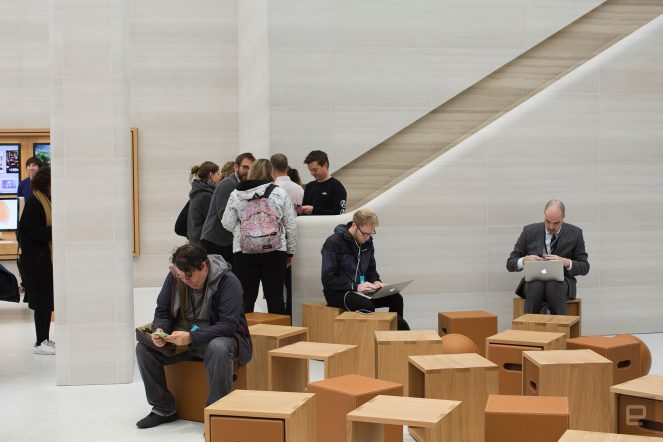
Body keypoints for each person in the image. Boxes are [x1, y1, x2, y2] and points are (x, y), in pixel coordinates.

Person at [135, 244, 252, 429]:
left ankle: (215, 416)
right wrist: (160, 330)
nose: (185, 281)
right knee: (144, 349)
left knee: (219, 347)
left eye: (189, 276)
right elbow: (163, 312)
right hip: (182, 337)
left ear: (203, 266)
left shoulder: (228, 281)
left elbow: (228, 326)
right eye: (181, 276)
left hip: (215, 339)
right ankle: (163, 408)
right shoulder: (175, 277)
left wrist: (191, 337)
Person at [222, 159, 297, 315]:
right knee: (275, 296)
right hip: (275, 249)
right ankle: (277, 330)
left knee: (246, 297)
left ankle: (244, 330)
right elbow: (290, 224)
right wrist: (290, 252)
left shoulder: (236, 194)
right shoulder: (279, 192)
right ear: (270, 172)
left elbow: (227, 223)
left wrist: (244, 230)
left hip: (244, 250)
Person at [321, 209, 409, 330]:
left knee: (396, 298)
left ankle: (393, 337)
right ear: (354, 226)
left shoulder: (367, 242)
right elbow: (328, 279)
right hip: (338, 292)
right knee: (366, 305)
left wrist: (376, 282)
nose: (367, 238)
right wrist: (356, 286)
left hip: (361, 290)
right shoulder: (334, 242)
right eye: (365, 234)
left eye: (371, 234)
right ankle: (370, 338)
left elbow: (371, 270)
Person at [506, 200, 590, 315]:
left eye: (556, 223)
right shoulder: (529, 231)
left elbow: (584, 267)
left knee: (554, 286)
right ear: (544, 215)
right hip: (533, 283)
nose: (551, 226)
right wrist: (524, 260)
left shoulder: (575, 233)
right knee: (536, 286)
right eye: (548, 221)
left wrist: (566, 262)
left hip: (562, 283)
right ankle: (530, 325)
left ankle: (559, 325)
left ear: (563, 217)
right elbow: (510, 263)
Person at [17, 166, 54, 355]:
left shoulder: (43, 200)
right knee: (42, 303)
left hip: (42, 261)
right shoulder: (35, 202)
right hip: (37, 263)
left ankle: (44, 339)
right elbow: (36, 232)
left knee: (46, 303)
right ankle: (40, 342)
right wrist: (57, 229)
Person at [200, 153, 255, 265]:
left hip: (226, 240)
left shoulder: (243, 185)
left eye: (250, 168)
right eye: (245, 167)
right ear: (236, 167)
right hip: (216, 241)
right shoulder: (228, 185)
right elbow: (224, 215)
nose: (248, 171)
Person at [270, 154, 303, 315]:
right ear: (287, 166)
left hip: (274, 241)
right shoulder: (299, 189)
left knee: (275, 288)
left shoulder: (271, 189)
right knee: (291, 284)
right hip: (295, 239)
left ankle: (278, 318)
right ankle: (291, 315)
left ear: (272, 168)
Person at [298, 150, 347, 216]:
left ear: (325, 165)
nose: (312, 173)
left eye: (315, 170)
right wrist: (300, 211)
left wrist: (314, 210)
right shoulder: (309, 186)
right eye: (310, 170)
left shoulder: (337, 187)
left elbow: (339, 214)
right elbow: (304, 212)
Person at [187, 161, 221, 247]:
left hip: (196, 240)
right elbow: (213, 220)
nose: (220, 177)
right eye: (218, 174)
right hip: (202, 243)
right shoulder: (205, 195)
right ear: (211, 175)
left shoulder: (199, 191)